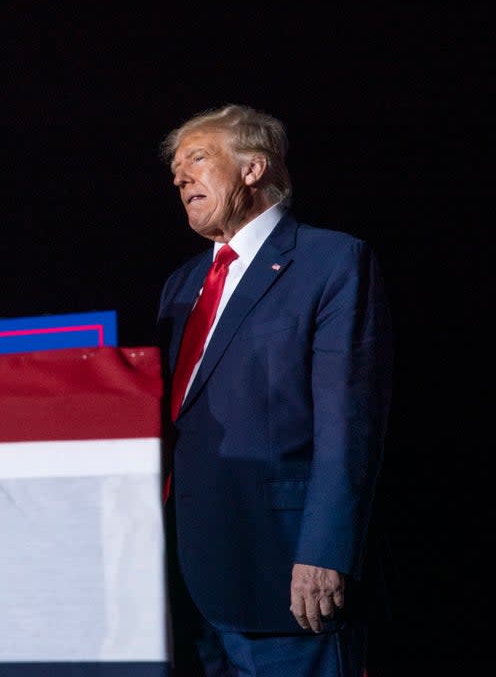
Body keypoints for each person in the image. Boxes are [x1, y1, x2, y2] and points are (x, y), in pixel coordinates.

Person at [157, 104, 393, 676]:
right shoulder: (182, 285)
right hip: (184, 579)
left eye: (197, 159)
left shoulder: (331, 260)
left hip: (283, 572)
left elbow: (348, 423)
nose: (180, 177)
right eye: (175, 170)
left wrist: (324, 552)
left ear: (253, 168)